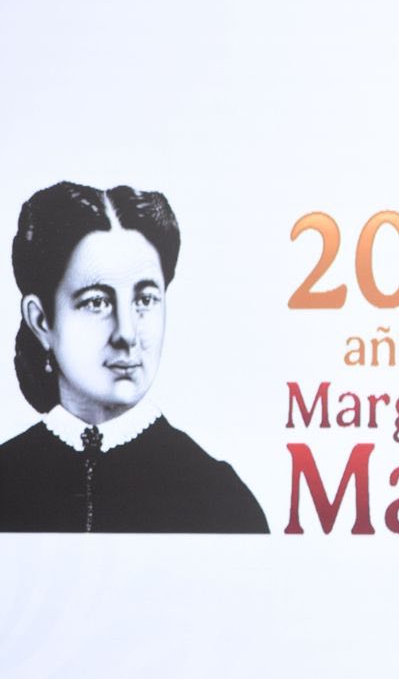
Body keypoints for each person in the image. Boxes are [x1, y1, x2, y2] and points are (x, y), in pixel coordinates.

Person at [0, 181, 268, 533]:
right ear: (41, 320)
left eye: (145, 300)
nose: (126, 334)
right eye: (97, 302)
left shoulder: (219, 498)